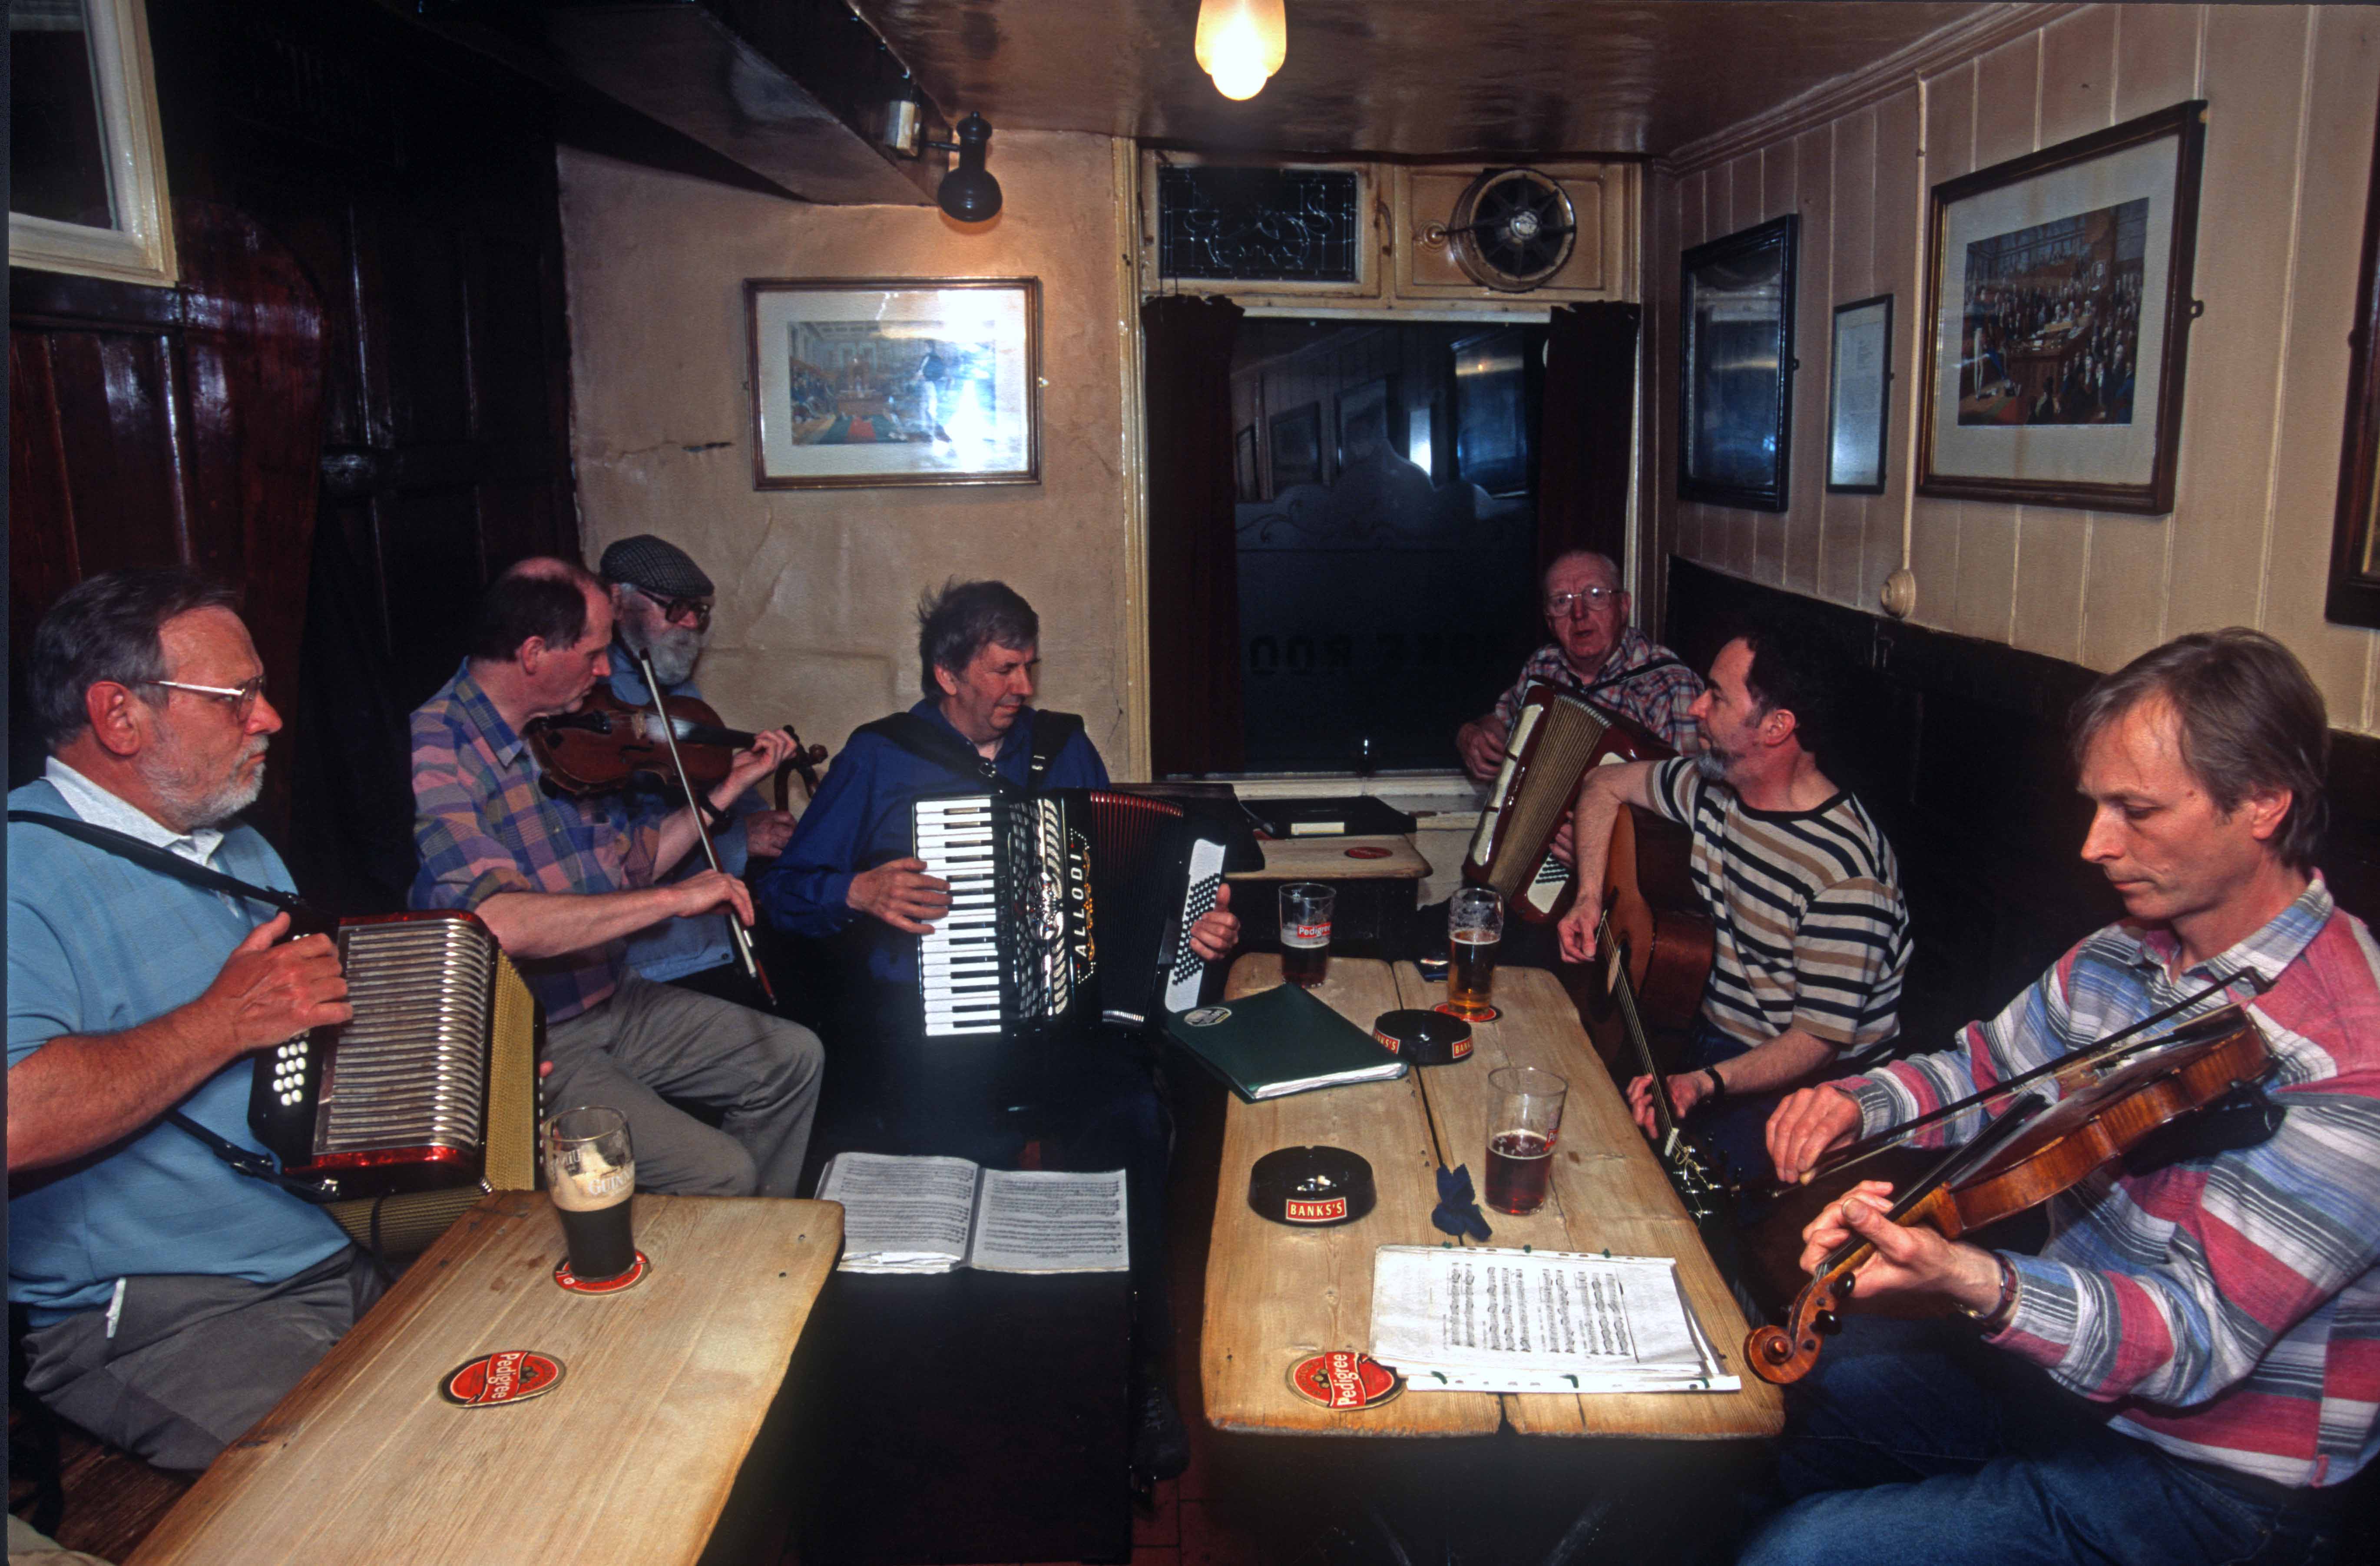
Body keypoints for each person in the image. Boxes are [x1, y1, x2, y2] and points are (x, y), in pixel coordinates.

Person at [1741, 629, 2370, 1566]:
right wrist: (1857, 1102)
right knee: (1779, 1421)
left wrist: (1972, 1280)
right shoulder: (2124, 952)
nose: (2094, 844)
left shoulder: (2348, 1057)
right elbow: (1989, 1072)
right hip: (2063, 1388)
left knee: (1803, 1554)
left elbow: (2190, 1338)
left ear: (2264, 805)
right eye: (2093, 805)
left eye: (2137, 810)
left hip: (2213, 1486)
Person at [757, 578, 1239, 1479]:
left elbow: (1123, 884)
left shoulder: (1064, 749)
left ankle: (1140, 1381)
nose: (1023, 686)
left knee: (1137, 1132)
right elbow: (783, 893)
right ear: (948, 674)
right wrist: (857, 889)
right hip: (937, 1040)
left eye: (1030, 664)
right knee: (943, 1198)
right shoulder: (879, 757)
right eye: (1003, 668)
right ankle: (945, 1397)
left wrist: (1195, 928)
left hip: (1072, 1031)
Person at [8, 569, 371, 1471]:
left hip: (332, 1238)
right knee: (371, 1488)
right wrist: (217, 1024)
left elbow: (298, 1050)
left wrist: (443, 1077)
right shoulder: (21, 872)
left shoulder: (237, 842)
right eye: (236, 697)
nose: (270, 718)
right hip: (169, 1311)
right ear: (118, 716)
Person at [409, 558, 823, 1197]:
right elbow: (498, 923)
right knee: (719, 1170)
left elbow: (635, 860)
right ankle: (712, 1255)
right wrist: (677, 898)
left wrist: (724, 793)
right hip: (534, 1037)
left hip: (614, 994)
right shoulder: (437, 747)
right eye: (596, 652)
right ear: (533, 653)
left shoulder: (561, 729)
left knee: (793, 1060)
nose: (606, 671)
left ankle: (739, 1251)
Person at [1555, 624, 1909, 1184]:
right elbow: (1602, 785)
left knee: (1673, 1192)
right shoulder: (1713, 788)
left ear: (1776, 727)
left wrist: (1704, 1083)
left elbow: (1816, 1041)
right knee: (1585, 1128)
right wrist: (1589, 899)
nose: (1695, 707)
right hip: (1711, 1037)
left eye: (1716, 695)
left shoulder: (1846, 871)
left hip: (1812, 1088)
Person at [594, 534, 796, 998]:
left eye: (699, 611)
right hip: (645, 957)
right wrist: (740, 836)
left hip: (706, 933)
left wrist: (758, 821)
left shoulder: (679, 694)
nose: (689, 624)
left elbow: (711, 781)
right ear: (615, 602)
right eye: (674, 607)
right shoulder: (597, 707)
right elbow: (623, 844)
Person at [1454, 549, 1703, 781]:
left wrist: (1596, 825)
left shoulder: (1671, 687)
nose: (1579, 614)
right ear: (1550, 622)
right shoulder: (1544, 665)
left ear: (1623, 606)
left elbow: (1686, 804)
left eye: (1595, 595)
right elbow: (1501, 723)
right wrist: (1472, 735)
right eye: (1562, 601)